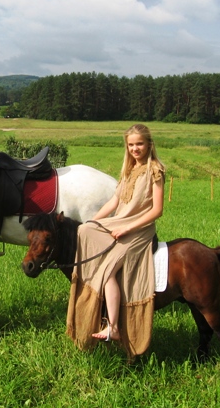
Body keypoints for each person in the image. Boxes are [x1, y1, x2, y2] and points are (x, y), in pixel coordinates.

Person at [66, 124, 165, 359]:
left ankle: (114, 327)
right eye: (131, 145)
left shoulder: (156, 170)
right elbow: (112, 204)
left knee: (108, 272)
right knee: (84, 232)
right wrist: (92, 223)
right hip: (120, 223)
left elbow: (157, 210)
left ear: (149, 144)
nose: (135, 149)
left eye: (139, 144)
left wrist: (128, 227)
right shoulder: (129, 170)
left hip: (140, 230)